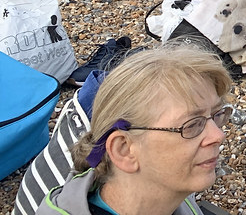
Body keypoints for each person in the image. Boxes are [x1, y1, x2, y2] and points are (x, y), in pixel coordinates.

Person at [40, 44, 232, 215]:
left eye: (216, 115)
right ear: (124, 150)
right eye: (192, 125)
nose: (218, 135)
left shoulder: (171, 194)